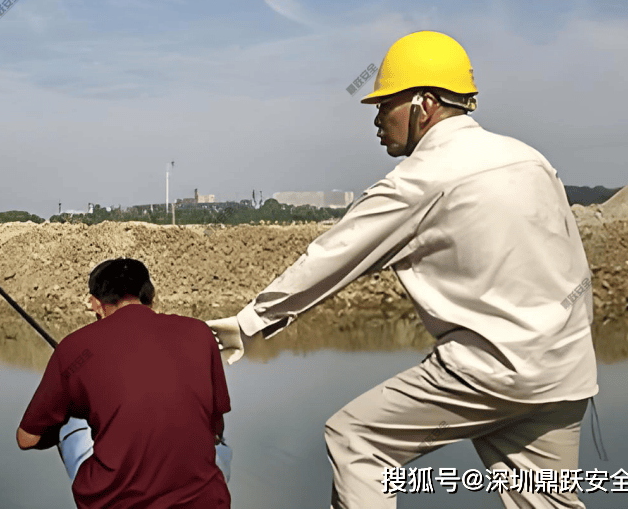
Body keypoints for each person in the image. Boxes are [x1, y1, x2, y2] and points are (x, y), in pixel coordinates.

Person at [206, 31, 600, 509]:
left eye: (385, 104)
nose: (376, 119)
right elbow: (573, 262)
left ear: (424, 104)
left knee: (357, 442)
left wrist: (249, 323)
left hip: (491, 372)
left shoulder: (421, 178)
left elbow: (334, 256)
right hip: (565, 372)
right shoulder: (530, 159)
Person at [17, 258, 232, 509]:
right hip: (205, 500)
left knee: (70, 418)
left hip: (116, 502)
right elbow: (217, 426)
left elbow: (27, 438)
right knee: (218, 445)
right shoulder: (199, 332)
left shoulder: (74, 348)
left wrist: (71, 413)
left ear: (95, 303)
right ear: (152, 295)